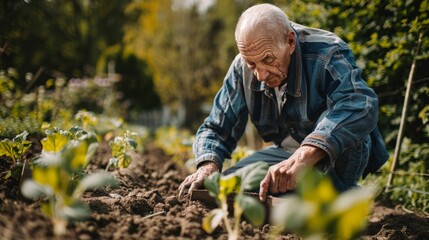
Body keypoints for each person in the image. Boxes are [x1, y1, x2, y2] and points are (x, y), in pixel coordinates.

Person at [178, 3, 388, 202]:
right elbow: (216, 126)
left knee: (340, 122)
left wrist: (305, 156)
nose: (260, 75)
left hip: (332, 155)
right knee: (225, 189)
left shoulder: (326, 53)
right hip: (285, 155)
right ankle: (304, 195)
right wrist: (207, 166)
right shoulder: (242, 67)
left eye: (268, 60)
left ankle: (342, 197)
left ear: (289, 42)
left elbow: (359, 103)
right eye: (252, 64)